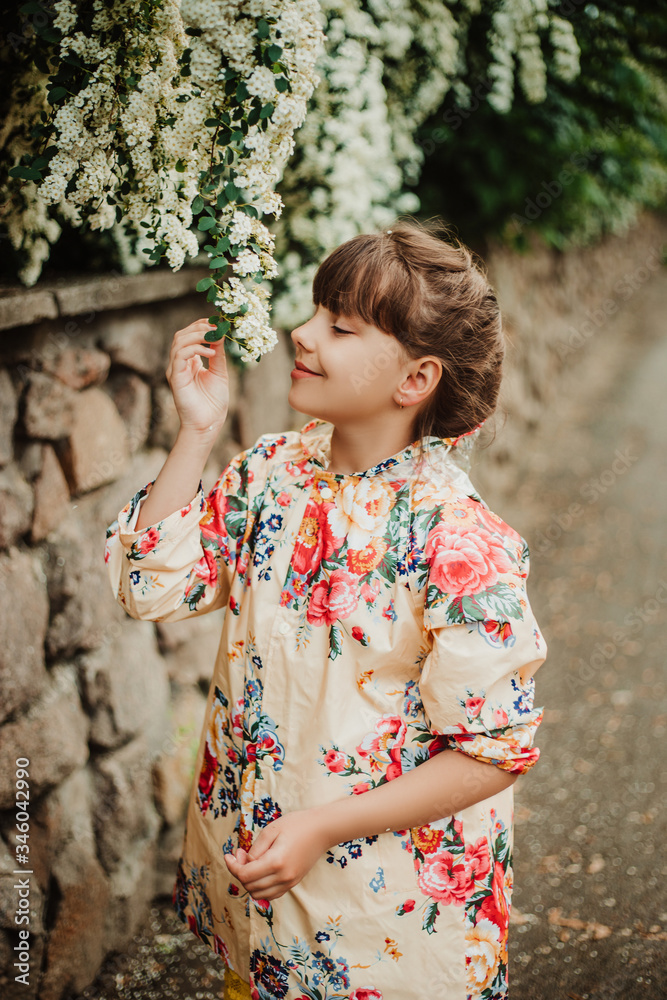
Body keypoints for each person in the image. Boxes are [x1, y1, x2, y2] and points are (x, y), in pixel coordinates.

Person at [104, 218, 548, 1000]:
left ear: (415, 379)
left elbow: (490, 751)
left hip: (380, 923)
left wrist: (319, 827)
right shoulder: (272, 472)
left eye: (339, 327)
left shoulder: (459, 542)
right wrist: (198, 431)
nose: (301, 334)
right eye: (315, 311)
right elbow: (151, 584)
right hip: (260, 886)